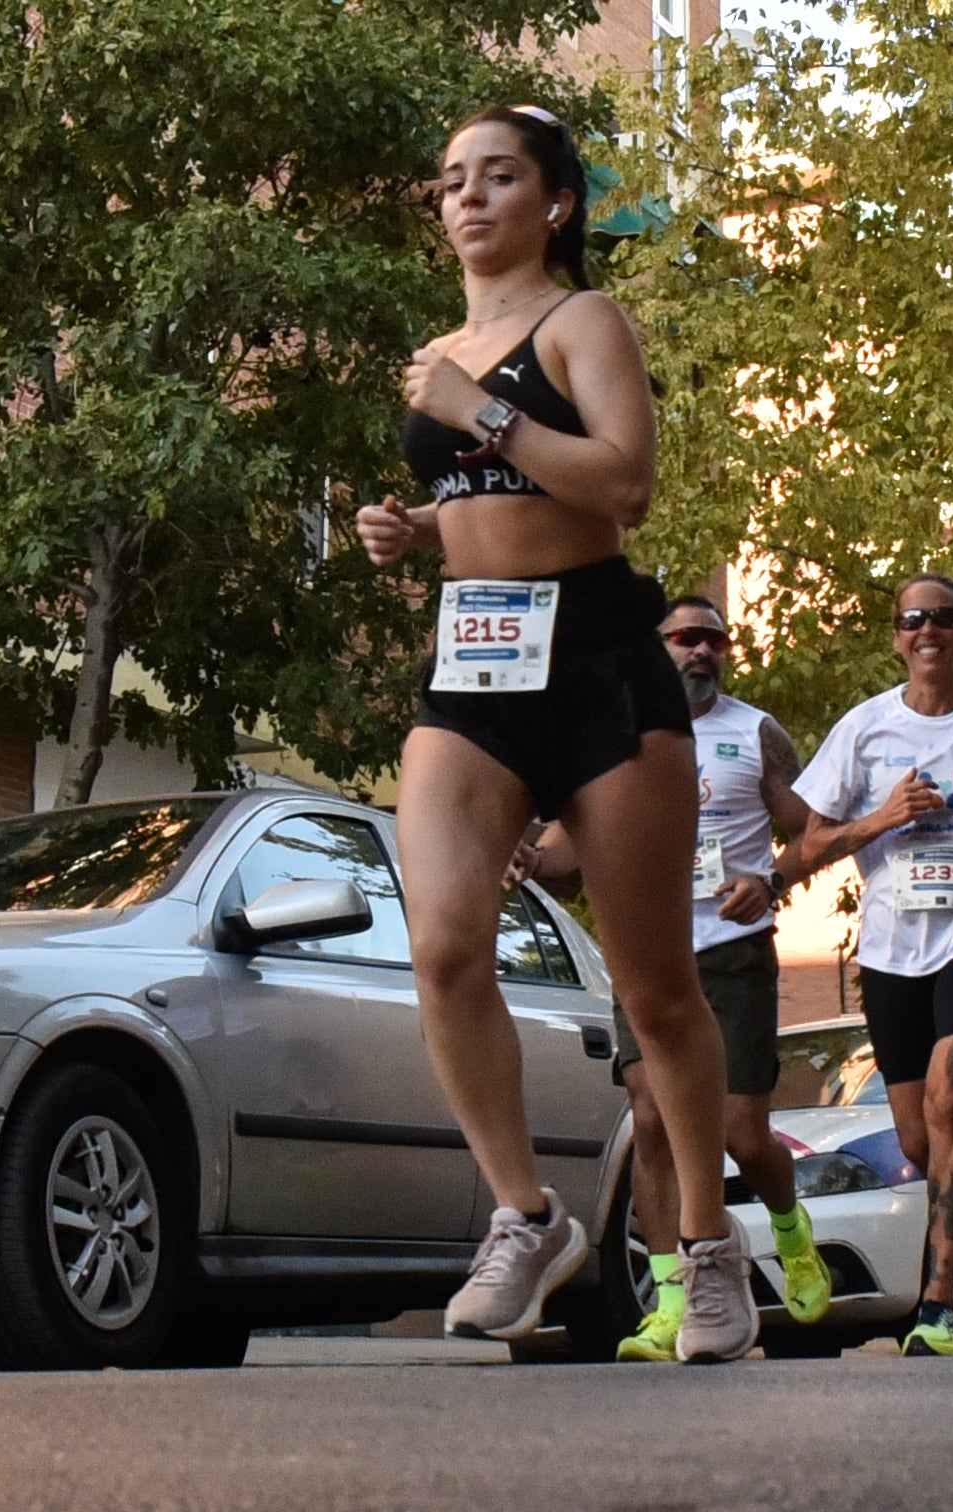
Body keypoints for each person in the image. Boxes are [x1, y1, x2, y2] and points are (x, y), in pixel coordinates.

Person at [354, 104, 757, 1362]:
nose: (467, 201)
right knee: (443, 947)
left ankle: (707, 1248)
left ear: (555, 204)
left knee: (656, 993)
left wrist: (480, 413)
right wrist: (418, 531)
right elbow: (491, 496)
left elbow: (622, 485)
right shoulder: (444, 352)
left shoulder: (582, 324)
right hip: (472, 662)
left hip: (596, 662)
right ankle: (526, 1216)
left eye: (499, 178)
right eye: (450, 182)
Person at [519, 595, 835, 1361]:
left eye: (713, 640)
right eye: (685, 638)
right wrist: (525, 858)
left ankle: (792, 1236)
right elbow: (565, 858)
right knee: (651, 1122)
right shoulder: (612, 735)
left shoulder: (754, 733)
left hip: (732, 949)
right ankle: (671, 1301)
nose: (702, 651)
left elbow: (812, 834)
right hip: (647, 952)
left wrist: (770, 878)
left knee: (739, 1131)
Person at [785, 573, 953, 1357]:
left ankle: (937, 1302)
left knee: (949, 1098)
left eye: (942, 618)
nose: (927, 630)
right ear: (897, 637)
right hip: (892, 951)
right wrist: (882, 817)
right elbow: (806, 846)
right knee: (915, 1141)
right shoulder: (863, 731)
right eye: (912, 620)